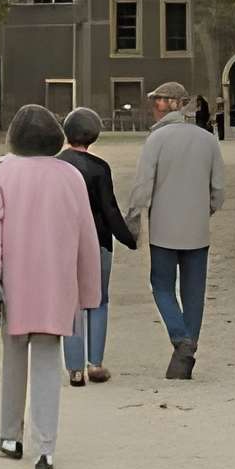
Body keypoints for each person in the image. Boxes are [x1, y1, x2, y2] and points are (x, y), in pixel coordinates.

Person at [0, 103, 100, 469]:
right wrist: (89, 290)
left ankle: (10, 435)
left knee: (14, 360)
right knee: (48, 362)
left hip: (13, 284)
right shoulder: (71, 176)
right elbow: (86, 238)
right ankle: (45, 448)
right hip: (56, 285)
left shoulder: (0, 175)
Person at [120, 81, 226, 381]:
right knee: (194, 293)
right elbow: (218, 189)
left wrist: (133, 214)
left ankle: (181, 341)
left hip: (164, 228)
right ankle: (187, 353)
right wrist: (206, 210)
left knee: (162, 285)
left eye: (162, 101)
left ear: (178, 104)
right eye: (157, 101)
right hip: (197, 229)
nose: (157, 106)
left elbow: (143, 184)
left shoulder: (156, 140)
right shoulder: (207, 140)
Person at [57, 107, 137, 387]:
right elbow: (110, 210)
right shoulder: (100, 168)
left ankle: (74, 369)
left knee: (72, 304)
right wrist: (128, 238)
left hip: (63, 244)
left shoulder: (56, 166)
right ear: (94, 136)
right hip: (99, 241)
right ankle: (96, 364)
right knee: (99, 301)